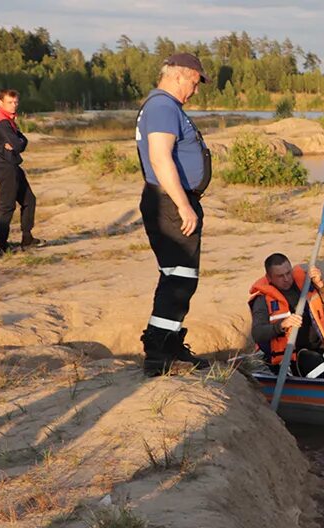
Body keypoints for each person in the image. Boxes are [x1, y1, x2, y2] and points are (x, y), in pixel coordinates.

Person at [135, 53, 214, 376]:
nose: (195, 91)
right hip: (169, 203)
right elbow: (160, 158)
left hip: (170, 200)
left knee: (178, 276)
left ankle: (167, 343)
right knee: (179, 277)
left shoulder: (165, 107)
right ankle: (159, 349)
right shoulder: (163, 107)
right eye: (194, 83)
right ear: (180, 75)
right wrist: (183, 205)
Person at [248, 253, 324, 380]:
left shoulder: (305, 283)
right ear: (269, 277)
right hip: (291, 357)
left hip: (319, 347)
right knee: (316, 366)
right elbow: (257, 333)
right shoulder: (262, 300)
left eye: (288, 273)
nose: (286, 279)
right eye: (280, 276)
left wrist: (320, 284)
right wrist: (281, 325)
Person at [0, 89, 40, 256]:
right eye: (10, 102)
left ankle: (27, 238)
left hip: (13, 165)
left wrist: (18, 141)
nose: (14, 105)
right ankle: (2, 246)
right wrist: (18, 142)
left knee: (29, 200)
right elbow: (19, 144)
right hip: (6, 167)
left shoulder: (8, 120)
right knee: (7, 207)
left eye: (16, 102)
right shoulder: (1, 121)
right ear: (0, 103)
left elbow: (22, 141)